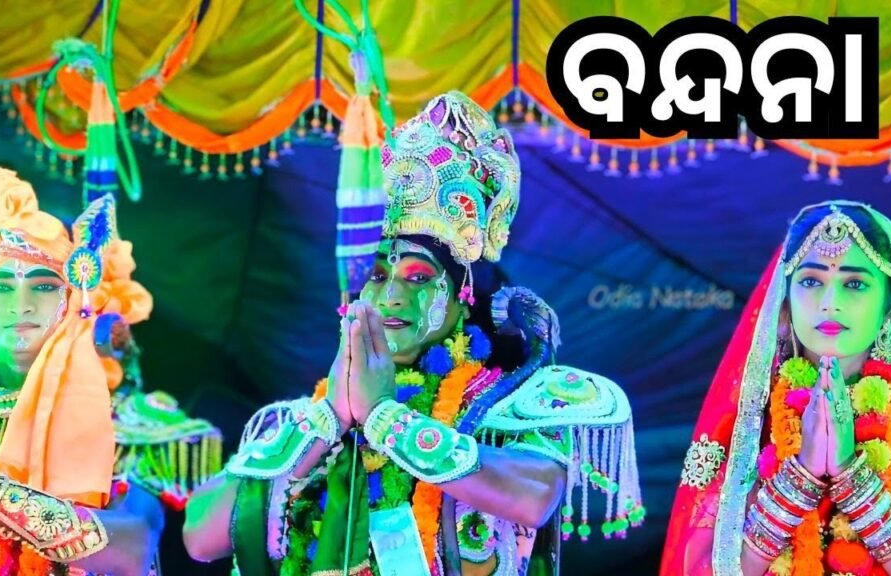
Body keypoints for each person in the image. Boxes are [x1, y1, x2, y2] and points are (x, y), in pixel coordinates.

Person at [183, 91, 644, 575]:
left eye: (419, 277)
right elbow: (199, 535)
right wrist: (330, 417)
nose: (392, 296)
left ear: (465, 292)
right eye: (377, 275)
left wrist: (385, 419)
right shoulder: (308, 421)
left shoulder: (508, 404)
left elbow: (533, 497)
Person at [0, 167, 218, 575]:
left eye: (43, 286)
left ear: (75, 298)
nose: (20, 304)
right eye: (1, 287)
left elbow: (134, 546)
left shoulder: (123, 420)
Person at [662, 201, 891, 576]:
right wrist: (800, 475)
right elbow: (702, 570)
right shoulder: (746, 430)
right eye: (810, 282)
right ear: (785, 300)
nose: (830, 303)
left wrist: (850, 477)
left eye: (854, 284)